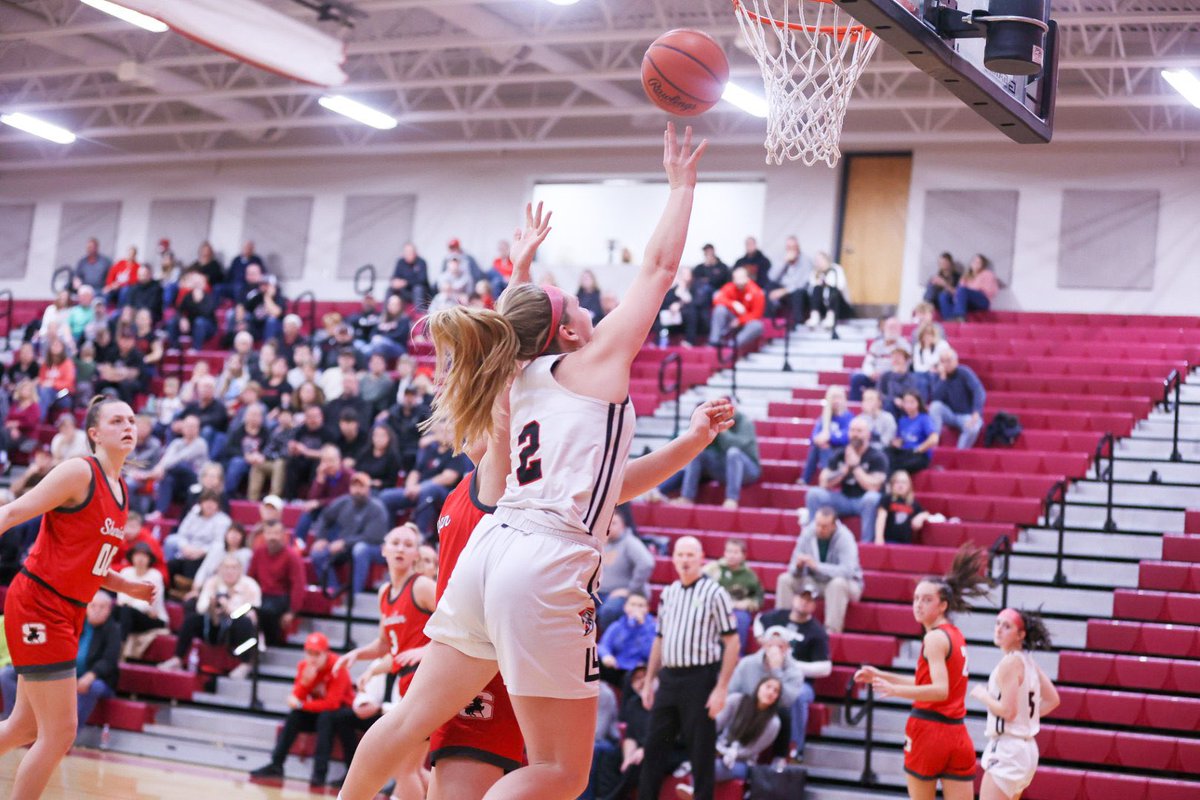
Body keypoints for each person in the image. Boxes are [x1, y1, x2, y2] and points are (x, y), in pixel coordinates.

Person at [338, 125, 709, 800]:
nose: (585, 301)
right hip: (546, 562)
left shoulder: (517, 375)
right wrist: (681, 186)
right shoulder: (594, 364)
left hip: (490, 551)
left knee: (414, 717)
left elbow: (612, 485)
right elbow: (657, 270)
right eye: (573, 302)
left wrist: (518, 268)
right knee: (561, 774)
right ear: (566, 331)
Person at [0, 396, 156, 798]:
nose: (128, 426)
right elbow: (12, 513)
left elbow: (92, 564)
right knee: (60, 733)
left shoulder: (121, 491)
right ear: (94, 434)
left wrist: (128, 586)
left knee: (24, 727)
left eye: (132, 420)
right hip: (38, 602)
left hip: (69, 610)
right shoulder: (78, 472)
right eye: (117, 420)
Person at [854, 547, 993, 800]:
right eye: (916, 598)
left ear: (942, 605)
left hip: (928, 730)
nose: (918, 604)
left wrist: (895, 691)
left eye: (926, 599)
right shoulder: (955, 635)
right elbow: (927, 683)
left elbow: (939, 690)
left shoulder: (933, 639)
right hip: (958, 734)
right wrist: (882, 675)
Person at [331, 524, 434, 794]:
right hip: (405, 682)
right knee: (412, 768)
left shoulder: (422, 586)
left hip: (427, 682)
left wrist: (427, 650)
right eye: (396, 543)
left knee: (404, 768)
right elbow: (384, 644)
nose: (401, 548)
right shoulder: (384, 593)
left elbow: (458, 623)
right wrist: (359, 656)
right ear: (383, 550)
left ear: (416, 555)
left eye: (408, 544)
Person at [638, 536, 739, 800]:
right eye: (680, 555)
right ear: (673, 558)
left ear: (701, 558)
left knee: (701, 753)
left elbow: (733, 642)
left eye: (690, 555)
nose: (684, 560)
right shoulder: (668, 593)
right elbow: (659, 640)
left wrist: (721, 688)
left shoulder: (715, 592)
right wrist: (650, 681)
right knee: (653, 749)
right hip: (669, 679)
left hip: (700, 678)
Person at [0, 591, 122, 732]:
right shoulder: (74, 622)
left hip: (96, 678)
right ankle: (16, 722)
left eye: (102, 607)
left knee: (93, 687)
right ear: (87, 607)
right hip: (63, 674)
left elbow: (109, 661)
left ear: (109, 610)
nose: (97, 611)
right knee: (7, 674)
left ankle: (67, 733)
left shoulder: (113, 630)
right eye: (93, 606)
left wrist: (90, 676)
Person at [971, 609, 1060, 800]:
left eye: (1007, 626)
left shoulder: (1010, 663)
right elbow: (1053, 700)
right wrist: (1025, 719)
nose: (999, 630)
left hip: (1008, 750)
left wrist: (983, 695)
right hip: (1026, 751)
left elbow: (1008, 712)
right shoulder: (1028, 661)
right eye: (997, 624)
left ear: (1021, 635)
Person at [250, 632, 356, 784]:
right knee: (295, 716)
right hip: (319, 713)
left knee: (326, 717)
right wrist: (305, 683)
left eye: (316, 654)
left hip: (340, 714)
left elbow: (332, 703)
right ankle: (276, 764)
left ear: (326, 653)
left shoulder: (338, 667)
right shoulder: (304, 667)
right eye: (309, 653)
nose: (312, 658)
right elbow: (294, 700)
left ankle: (319, 774)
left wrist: (302, 704)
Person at [752, 583, 832, 761]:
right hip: (767, 675)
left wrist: (791, 665)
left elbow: (825, 668)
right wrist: (761, 639)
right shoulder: (777, 616)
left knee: (798, 695)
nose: (804, 602)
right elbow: (758, 619)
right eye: (802, 597)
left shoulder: (817, 632)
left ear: (814, 605)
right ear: (794, 598)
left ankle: (794, 748)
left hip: (799, 681)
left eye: (809, 600)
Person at [775, 507, 862, 634]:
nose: (820, 529)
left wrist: (817, 566)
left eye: (825, 526)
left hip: (848, 584)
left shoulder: (845, 537)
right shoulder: (808, 532)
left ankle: (831, 631)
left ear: (834, 525)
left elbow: (848, 571)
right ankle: (782, 627)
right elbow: (792, 567)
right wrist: (798, 567)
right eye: (818, 524)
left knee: (837, 584)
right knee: (785, 579)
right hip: (815, 581)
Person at [658, 404, 760, 509]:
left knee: (733, 453)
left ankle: (732, 499)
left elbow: (739, 447)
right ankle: (687, 497)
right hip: (724, 468)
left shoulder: (745, 422)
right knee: (698, 454)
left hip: (748, 469)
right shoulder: (717, 422)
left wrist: (723, 432)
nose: (724, 413)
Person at [805, 416, 888, 543]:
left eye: (859, 431)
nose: (855, 434)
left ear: (868, 434)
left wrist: (855, 467)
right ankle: (813, 539)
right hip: (843, 498)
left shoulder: (877, 456)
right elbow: (823, 481)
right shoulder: (840, 453)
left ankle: (866, 543)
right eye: (852, 430)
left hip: (863, 500)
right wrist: (844, 470)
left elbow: (874, 487)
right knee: (814, 494)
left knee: (872, 498)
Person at [307, 472, 391, 596]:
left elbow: (373, 537)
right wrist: (321, 538)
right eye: (354, 486)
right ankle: (333, 591)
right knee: (318, 553)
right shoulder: (343, 502)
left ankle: (354, 595)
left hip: (374, 549)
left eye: (361, 486)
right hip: (345, 545)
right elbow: (325, 518)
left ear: (368, 489)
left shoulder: (377, 508)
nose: (357, 490)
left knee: (360, 549)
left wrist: (345, 542)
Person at [247, 519, 307, 646]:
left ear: (283, 535)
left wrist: (292, 611)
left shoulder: (292, 556)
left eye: (276, 533)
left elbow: (298, 585)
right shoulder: (258, 552)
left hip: (280, 597)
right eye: (269, 533)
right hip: (260, 595)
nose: (272, 537)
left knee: (266, 610)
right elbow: (250, 579)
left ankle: (269, 644)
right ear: (264, 535)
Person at [596, 506, 655, 629]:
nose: (609, 526)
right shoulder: (601, 542)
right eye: (607, 523)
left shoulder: (630, 542)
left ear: (623, 525)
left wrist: (630, 589)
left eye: (614, 523)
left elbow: (647, 563)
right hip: (599, 592)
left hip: (621, 594)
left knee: (609, 611)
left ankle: (606, 645)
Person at [702, 538, 763, 651]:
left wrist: (747, 604)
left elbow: (759, 598)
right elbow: (699, 586)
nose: (731, 555)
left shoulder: (750, 576)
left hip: (737, 609)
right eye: (729, 551)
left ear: (743, 555)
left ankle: (737, 655)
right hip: (713, 606)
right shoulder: (712, 569)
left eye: (735, 552)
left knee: (741, 619)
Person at [928, 348, 986, 450]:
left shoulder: (964, 372)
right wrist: (942, 379)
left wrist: (976, 412)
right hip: (949, 413)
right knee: (935, 406)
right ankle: (933, 444)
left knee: (974, 427)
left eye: (949, 360)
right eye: (943, 361)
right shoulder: (939, 376)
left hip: (966, 414)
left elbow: (979, 391)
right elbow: (935, 397)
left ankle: (959, 452)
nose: (946, 364)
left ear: (956, 361)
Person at [113, 541, 168, 642]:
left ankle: (120, 646)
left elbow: (150, 602)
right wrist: (130, 604)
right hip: (129, 614)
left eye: (144, 555)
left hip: (153, 618)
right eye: (137, 555)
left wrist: (130, 604)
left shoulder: (155, 575)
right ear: (132, 557)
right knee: (112, 610)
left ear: (150, 558)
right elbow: (121, 599)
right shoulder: (125, 572)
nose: (140, 559)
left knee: (126, 611)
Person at [800, 385, 852, 486]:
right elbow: (813, 437)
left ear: (844, 399)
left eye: (838, 397)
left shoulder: (848, 417)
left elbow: (846, 438)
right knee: (818, 447)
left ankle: (821, 477)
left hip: (841, 453)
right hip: (826, 450)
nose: (836, 401)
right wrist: (820, 440)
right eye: (833, 398)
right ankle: (808, 479)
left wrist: (829, 438)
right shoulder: (824, 418)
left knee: (822, 446)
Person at [597, 590, 656, 678]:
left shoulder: (653, 628)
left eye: (640, 606)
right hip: (617, 666)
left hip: (639, 669)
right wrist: (606, 655)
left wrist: (642, 627)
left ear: (647, 609)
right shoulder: (617, 625)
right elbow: (603, 645)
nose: (636, 608)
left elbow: (649, 653)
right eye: (633, 604)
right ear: (625, 607)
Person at [708, 266, 765, 350]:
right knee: (720, 309)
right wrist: (733, 303)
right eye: (736, 278)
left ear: (747, 278)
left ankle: (732, 345)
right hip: (730, 320)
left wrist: (740, 321)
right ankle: (714, 341)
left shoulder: (756, 292)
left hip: (746, 323)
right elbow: (717, 300)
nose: (739, 281)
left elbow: (757, 314)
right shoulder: (729, 287)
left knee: (757, 325)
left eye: (741, 277)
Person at [888, 392, 939, 475]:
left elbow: (934, 438)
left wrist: (918, 449)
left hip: (919, 454)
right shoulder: (902, 420)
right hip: (905, 453)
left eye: (912, 402)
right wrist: (895, 443)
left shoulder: (924, 419)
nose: (908, 405)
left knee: (896, 466)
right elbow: (900, 440)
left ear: (918, 403)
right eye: (906, 402)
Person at [876, 470, 932, 546]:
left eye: (904, 482)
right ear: (892, 484)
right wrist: (879, 539)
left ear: (909, 485)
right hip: (889, 541)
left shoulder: (912, 503)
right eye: (897, 482)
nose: (900, 485)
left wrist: (921, 516)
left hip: (906, 544)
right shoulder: (887, 499)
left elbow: (926, 513)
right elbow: (881, 518)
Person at [765, 236, 812, 325]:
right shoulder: (781, 258)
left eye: (793, 247)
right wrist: (784, 262)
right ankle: (769, 324)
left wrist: (785, 291)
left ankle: (797, 325)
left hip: (796, 291)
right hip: (781, 289)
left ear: (798, 248)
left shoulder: (806, 260)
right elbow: (772, 277)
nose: (791, 250)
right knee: (768, 288)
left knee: (798, 293)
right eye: (788, 247)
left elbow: (803, 283)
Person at [940, 253, 998, 322]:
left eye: (978, 262)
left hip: (982, 300)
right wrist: (955, 295)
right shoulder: (965, 276)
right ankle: (948, 319)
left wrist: (969, 291)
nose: (975, 264)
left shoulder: (987, 274)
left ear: (983, 265)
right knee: (944, 295)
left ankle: (960, 317)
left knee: (963, 290)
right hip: (968, 301)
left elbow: (991, 292)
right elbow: (959, 292)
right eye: (974, 261)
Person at [805, 251, 849, 330]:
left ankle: (831, 317)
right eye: (817, 261)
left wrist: (826, 283)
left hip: (839, 305)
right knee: (817, 288)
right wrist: (819, 282)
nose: (819, 263)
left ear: (826, 259)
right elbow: (810, 291)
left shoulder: (836, 269)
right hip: (823, 306)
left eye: (821, 260)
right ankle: (815, 316)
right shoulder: (815, 272)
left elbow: (841, 286)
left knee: (833, 289)